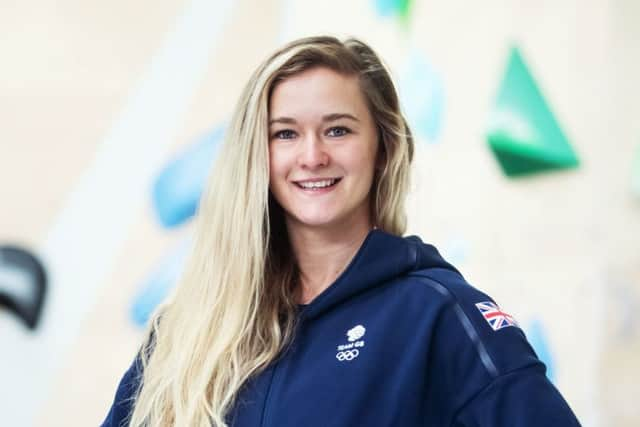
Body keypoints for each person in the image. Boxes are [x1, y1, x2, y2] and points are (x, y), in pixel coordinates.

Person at [101, 36, 581, 427]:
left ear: (384, 149)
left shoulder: (438, 315)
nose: (312, 156)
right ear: (257, 157)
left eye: (338, 130)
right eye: (285, 133)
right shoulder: (186, 331)